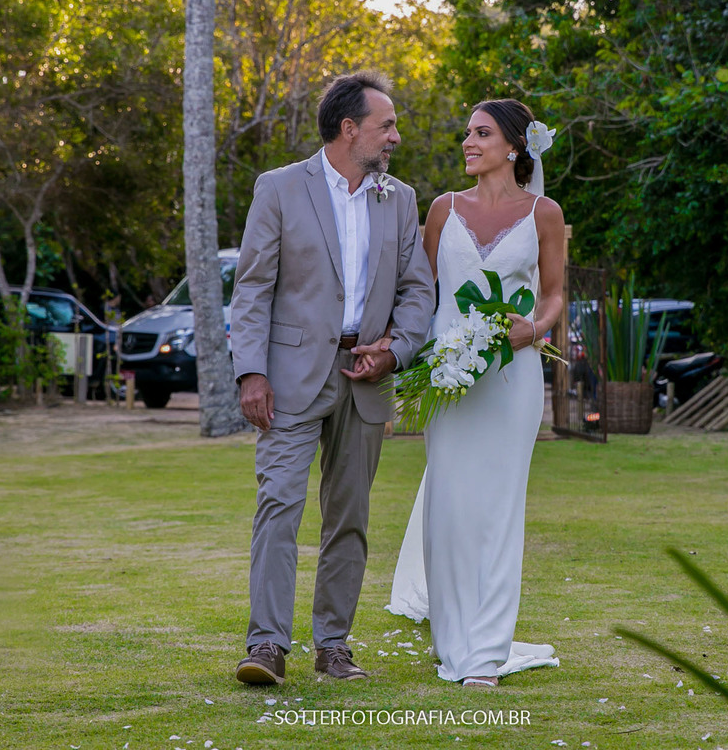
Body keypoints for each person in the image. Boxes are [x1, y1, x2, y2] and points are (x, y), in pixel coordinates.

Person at [229, 71, 435, 685]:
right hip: (289, 378)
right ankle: (266, 646)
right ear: (350, 129)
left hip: (366, 379)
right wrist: (251, 372)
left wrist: (395, 350)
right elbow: (252, 288)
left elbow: (417, 289)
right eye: (386, 125)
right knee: (279, 505)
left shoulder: (400, 198)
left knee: (349, 516)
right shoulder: (279, 187)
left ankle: (334, 646)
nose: (395, 136)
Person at [386, 99, 565, 687]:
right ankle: (453, 640)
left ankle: (485, 654)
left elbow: (554, 296)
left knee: (499, 511)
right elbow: (419, 292)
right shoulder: (443, 209)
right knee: (450, 507)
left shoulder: (543, 213)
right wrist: (400, 352)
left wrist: (532, 330)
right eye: (467, 133)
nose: (468, 142)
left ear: (514, 146)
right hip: (448, 379)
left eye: (481, 133)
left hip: (513, 381)